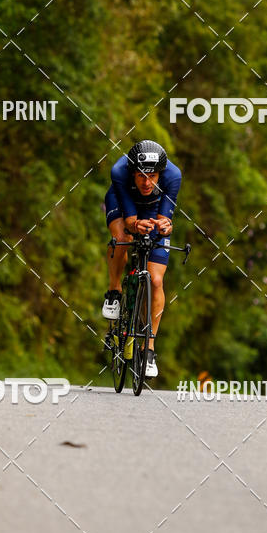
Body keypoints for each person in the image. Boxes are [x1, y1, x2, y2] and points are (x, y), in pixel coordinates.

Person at [102, 140, 182, 378]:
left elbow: (164, 218)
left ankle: (149, 349)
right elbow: (129, 222)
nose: (147, 183)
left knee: (156, 281)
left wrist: (165, 227)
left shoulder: (173, 176)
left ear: (161, 173)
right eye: (140, 176)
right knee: (122, 238)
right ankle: (114, 291)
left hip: (153, 208)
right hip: (122, 202)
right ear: (132, 172)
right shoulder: (119, 171)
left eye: (153, 176)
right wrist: (135, 225)